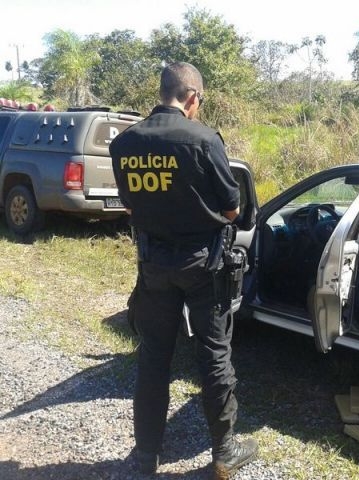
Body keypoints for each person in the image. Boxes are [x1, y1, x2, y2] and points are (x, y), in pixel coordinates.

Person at [109, 61, 257, 478]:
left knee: (154, 357)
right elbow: (231, 208)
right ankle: (225, 452)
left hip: (154, 265)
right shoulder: (204, 140)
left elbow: (131, 206)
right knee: (213, 356)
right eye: (200, 100)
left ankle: (145, 456)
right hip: (203, 266)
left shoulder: (125, 143)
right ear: (192, 97)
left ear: (163, 93)